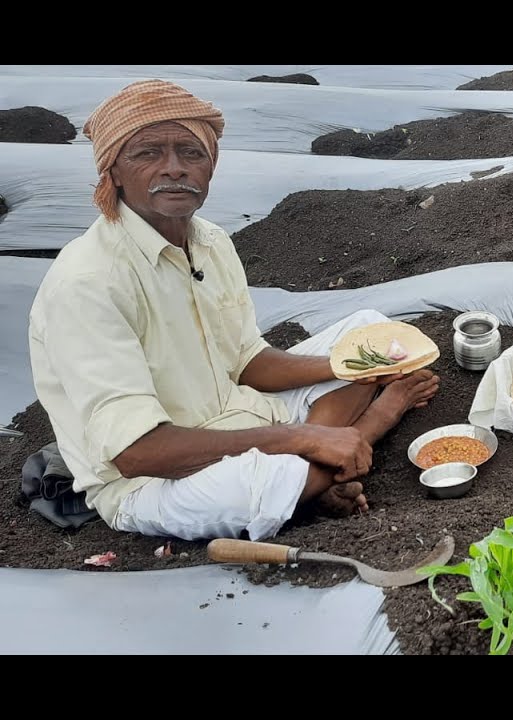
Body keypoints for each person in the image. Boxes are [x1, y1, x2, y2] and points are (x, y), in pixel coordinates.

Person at [27, 79, 441, 542]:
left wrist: (355, 367)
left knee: (369, 332)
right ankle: (357, 439)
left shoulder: (210, 242)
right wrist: (328, 427)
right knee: (262, 482)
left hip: (245, 416)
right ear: (114, 171)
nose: (175, 169)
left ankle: (322, 469)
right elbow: (137, 453)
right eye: (148, 153)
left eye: (191, 153)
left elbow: (248, 363)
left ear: (211, 166)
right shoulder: (88, 283)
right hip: (154, 480)